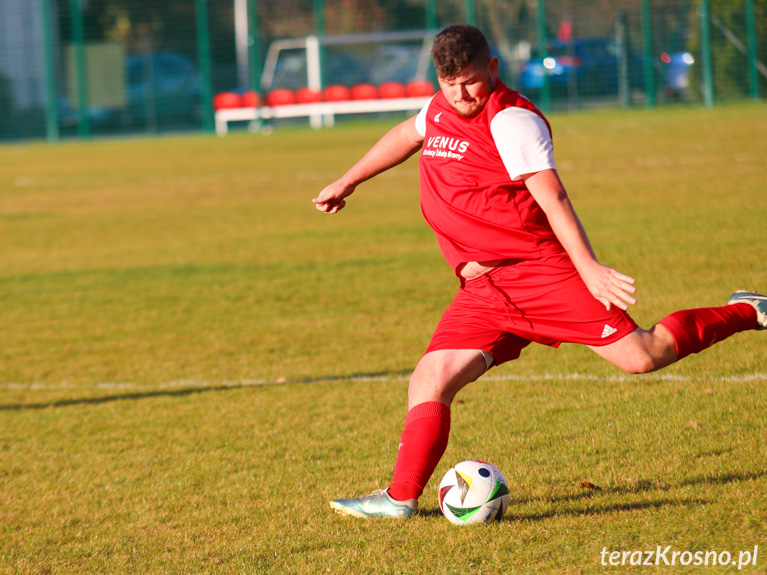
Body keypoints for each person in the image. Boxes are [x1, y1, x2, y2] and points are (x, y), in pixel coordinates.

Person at [313, 24, 766, 519]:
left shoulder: (511, 120)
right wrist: (348, 180)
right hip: (483, 289)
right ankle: (401, 498)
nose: (461, 95)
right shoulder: (439, 108)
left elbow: (553, 198)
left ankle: (746, 311)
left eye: (470, 81)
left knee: (642, 355)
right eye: (449, 84)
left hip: (538, 273)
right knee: (430, 378)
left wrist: (587, 267)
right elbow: (406, 133)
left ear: (492, 68)